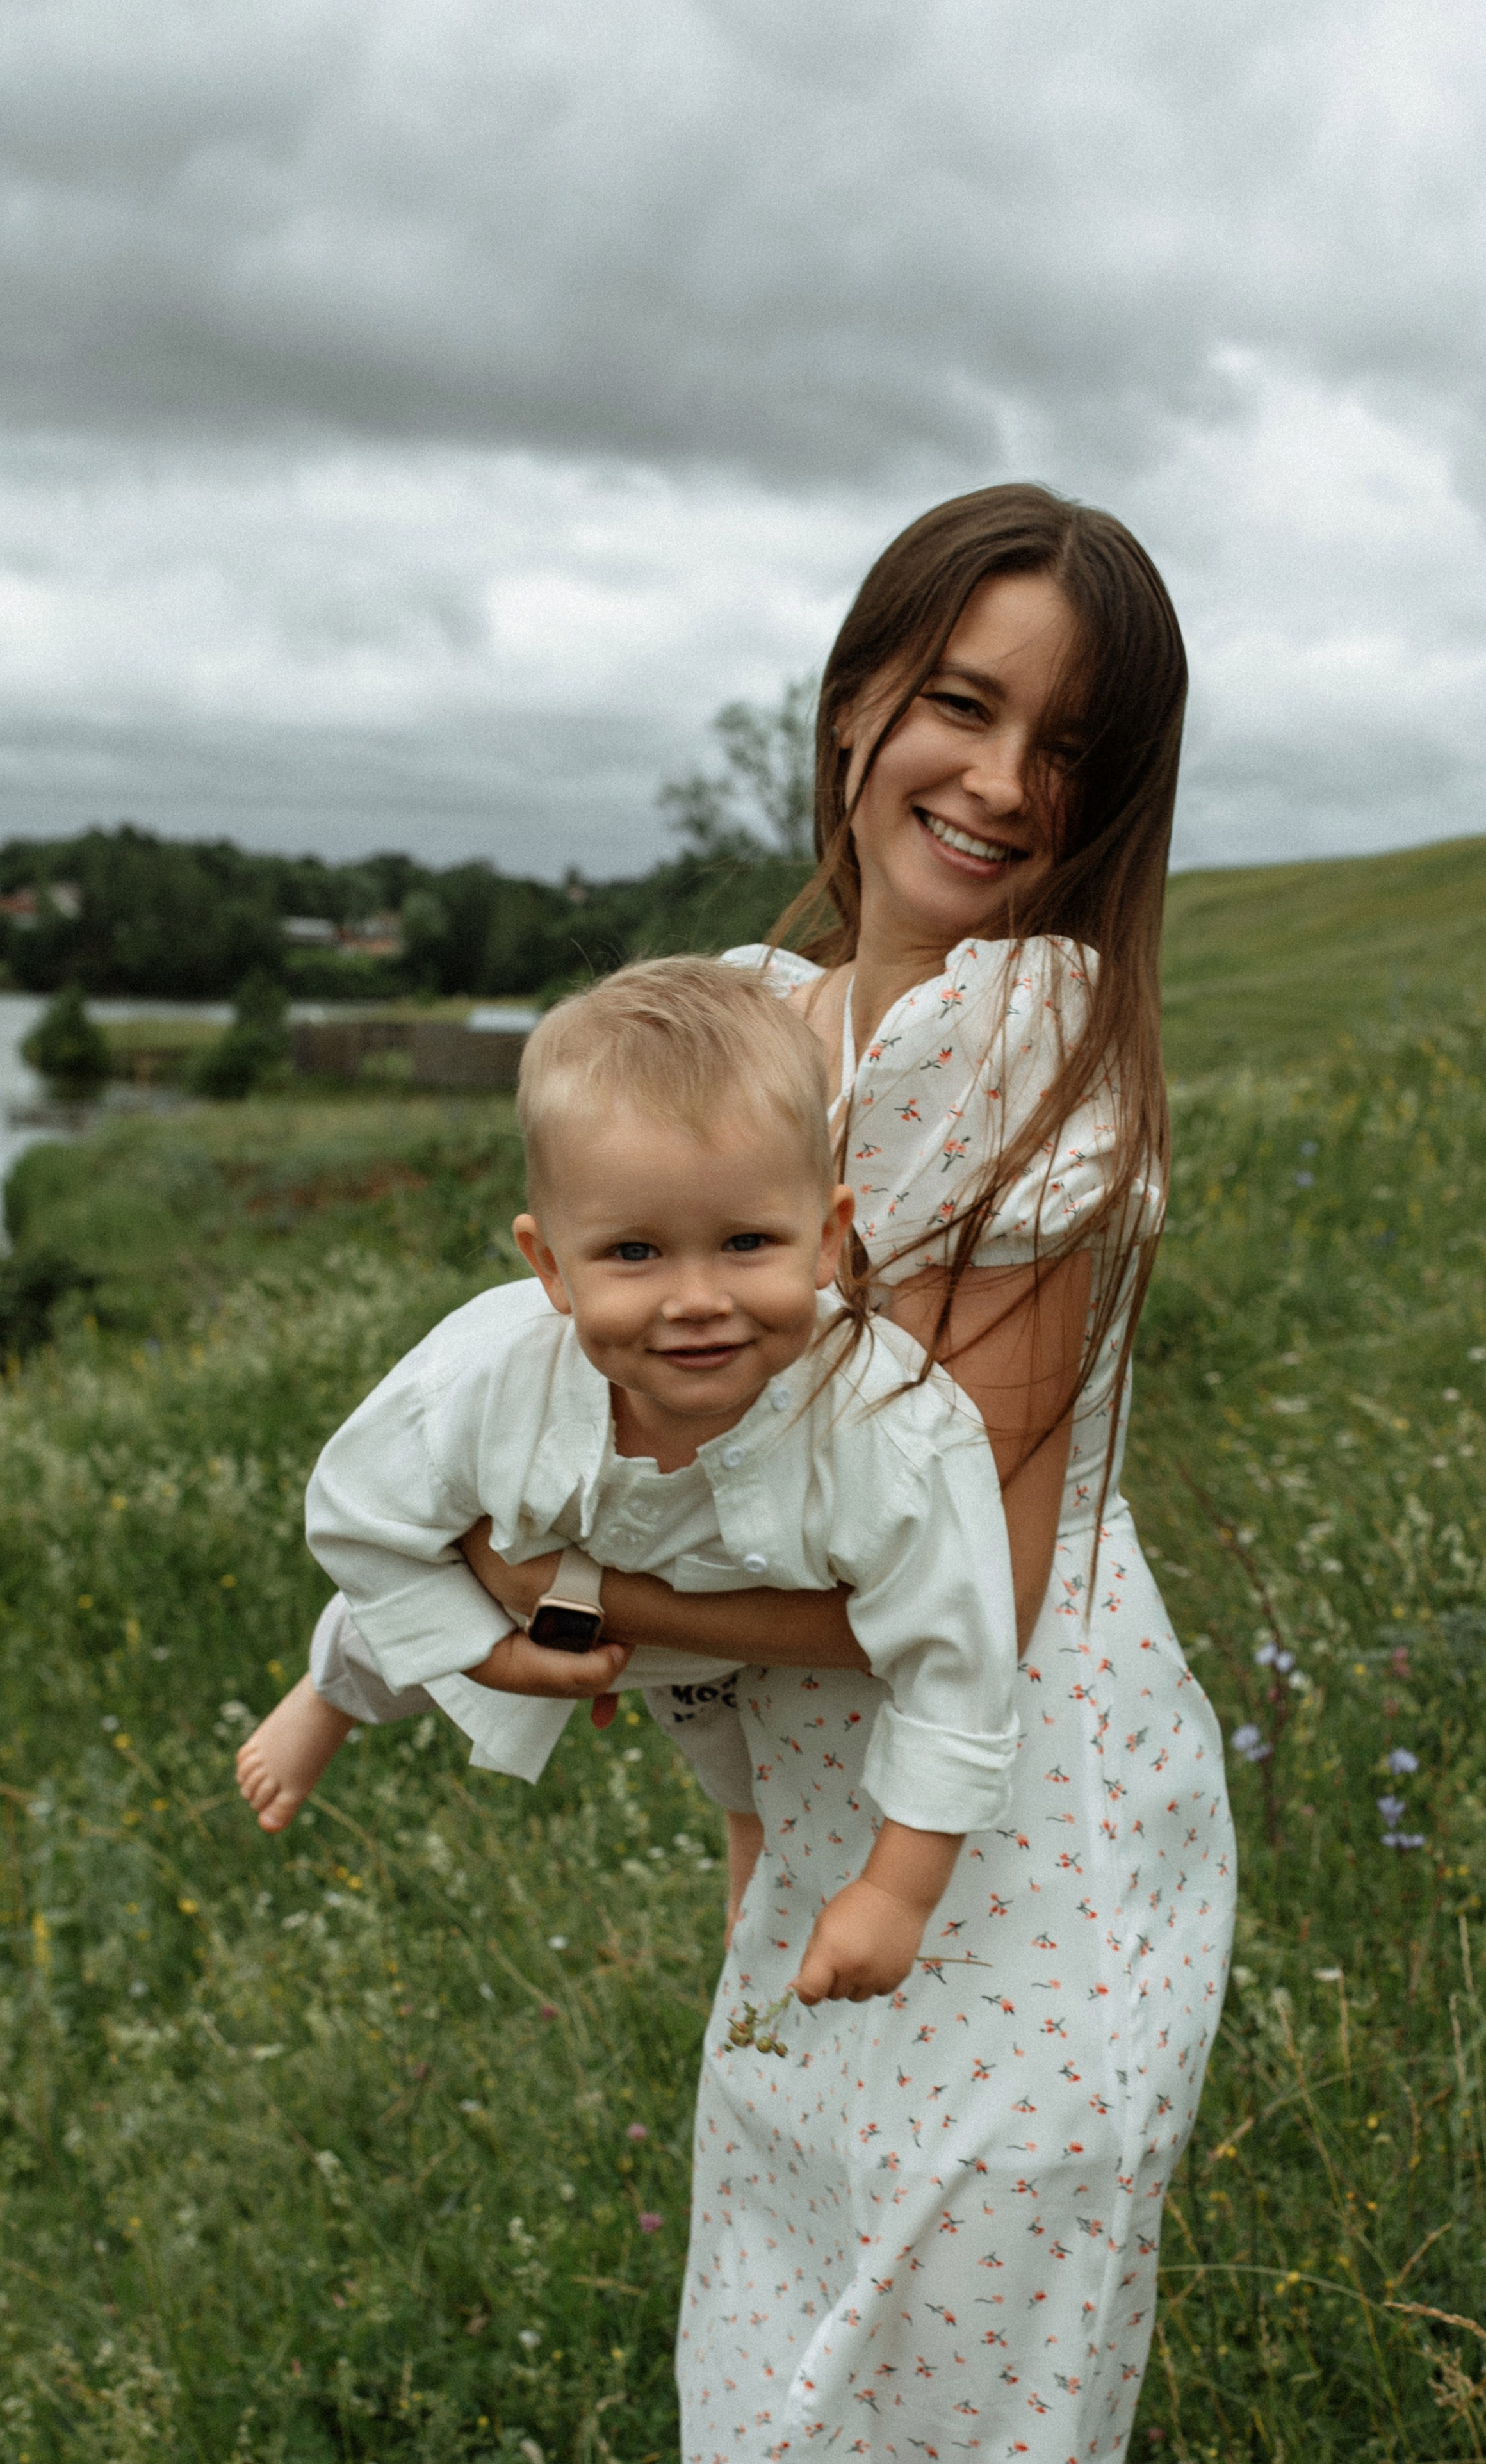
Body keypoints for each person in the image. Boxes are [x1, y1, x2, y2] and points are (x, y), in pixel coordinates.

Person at [459, 483, 1237, 2458]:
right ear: (857, 702)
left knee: (946, 2407)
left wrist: (594, 1604)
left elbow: (957, 1590)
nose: (1000, 782)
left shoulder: (1034, 1039)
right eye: (962, 704)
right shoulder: (757, 1025)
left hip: (1019, 1849)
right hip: (818, 1833)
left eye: (1067, 749)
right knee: (776, 2389)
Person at [236, 957, 1025, 2004]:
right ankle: (326, 1697)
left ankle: (751, 1837)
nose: (696, 1299)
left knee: (731, 1724)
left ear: (828, 1240)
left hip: (731, 1616)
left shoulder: (896, 1430)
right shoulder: (487, 1379)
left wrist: (896, 1892)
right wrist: (493, 1660)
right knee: (404, 1612)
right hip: (539, 1555)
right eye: (635, 1252)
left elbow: (959, 1662)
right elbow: (361, 1516)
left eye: (747, 1242)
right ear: (551, 1268)